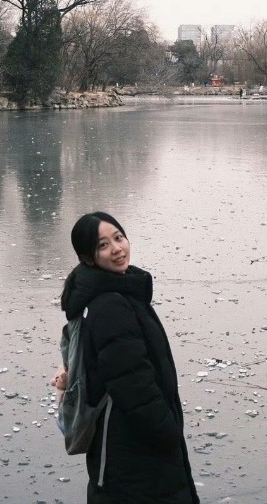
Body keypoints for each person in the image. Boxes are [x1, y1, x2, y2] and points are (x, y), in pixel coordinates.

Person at [53, 211, 199, 504]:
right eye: (103, 245)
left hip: (126, 443)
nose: (117, 249)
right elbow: (133, 384)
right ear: (87, 258)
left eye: (118, 237)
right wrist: (167, 433)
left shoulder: (114, 291)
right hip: (132, 443)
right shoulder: (111, 306)